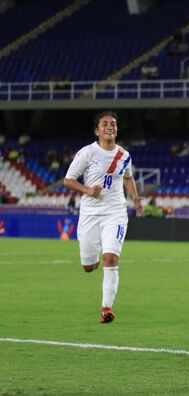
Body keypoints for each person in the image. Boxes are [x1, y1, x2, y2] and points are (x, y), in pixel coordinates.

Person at [63, 111, 143, 324]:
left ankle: (106, 308)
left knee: (111, 257)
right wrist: (88, 189)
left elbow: (128, 177)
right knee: (89, 267)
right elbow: (68, 180)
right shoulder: (87, 153)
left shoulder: (124, 155)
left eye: (113, 124)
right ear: (97, 130)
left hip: (115, 212)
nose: (110, 127)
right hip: (90, 213)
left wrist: (136, 199)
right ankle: (93, 258)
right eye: (105, 124)